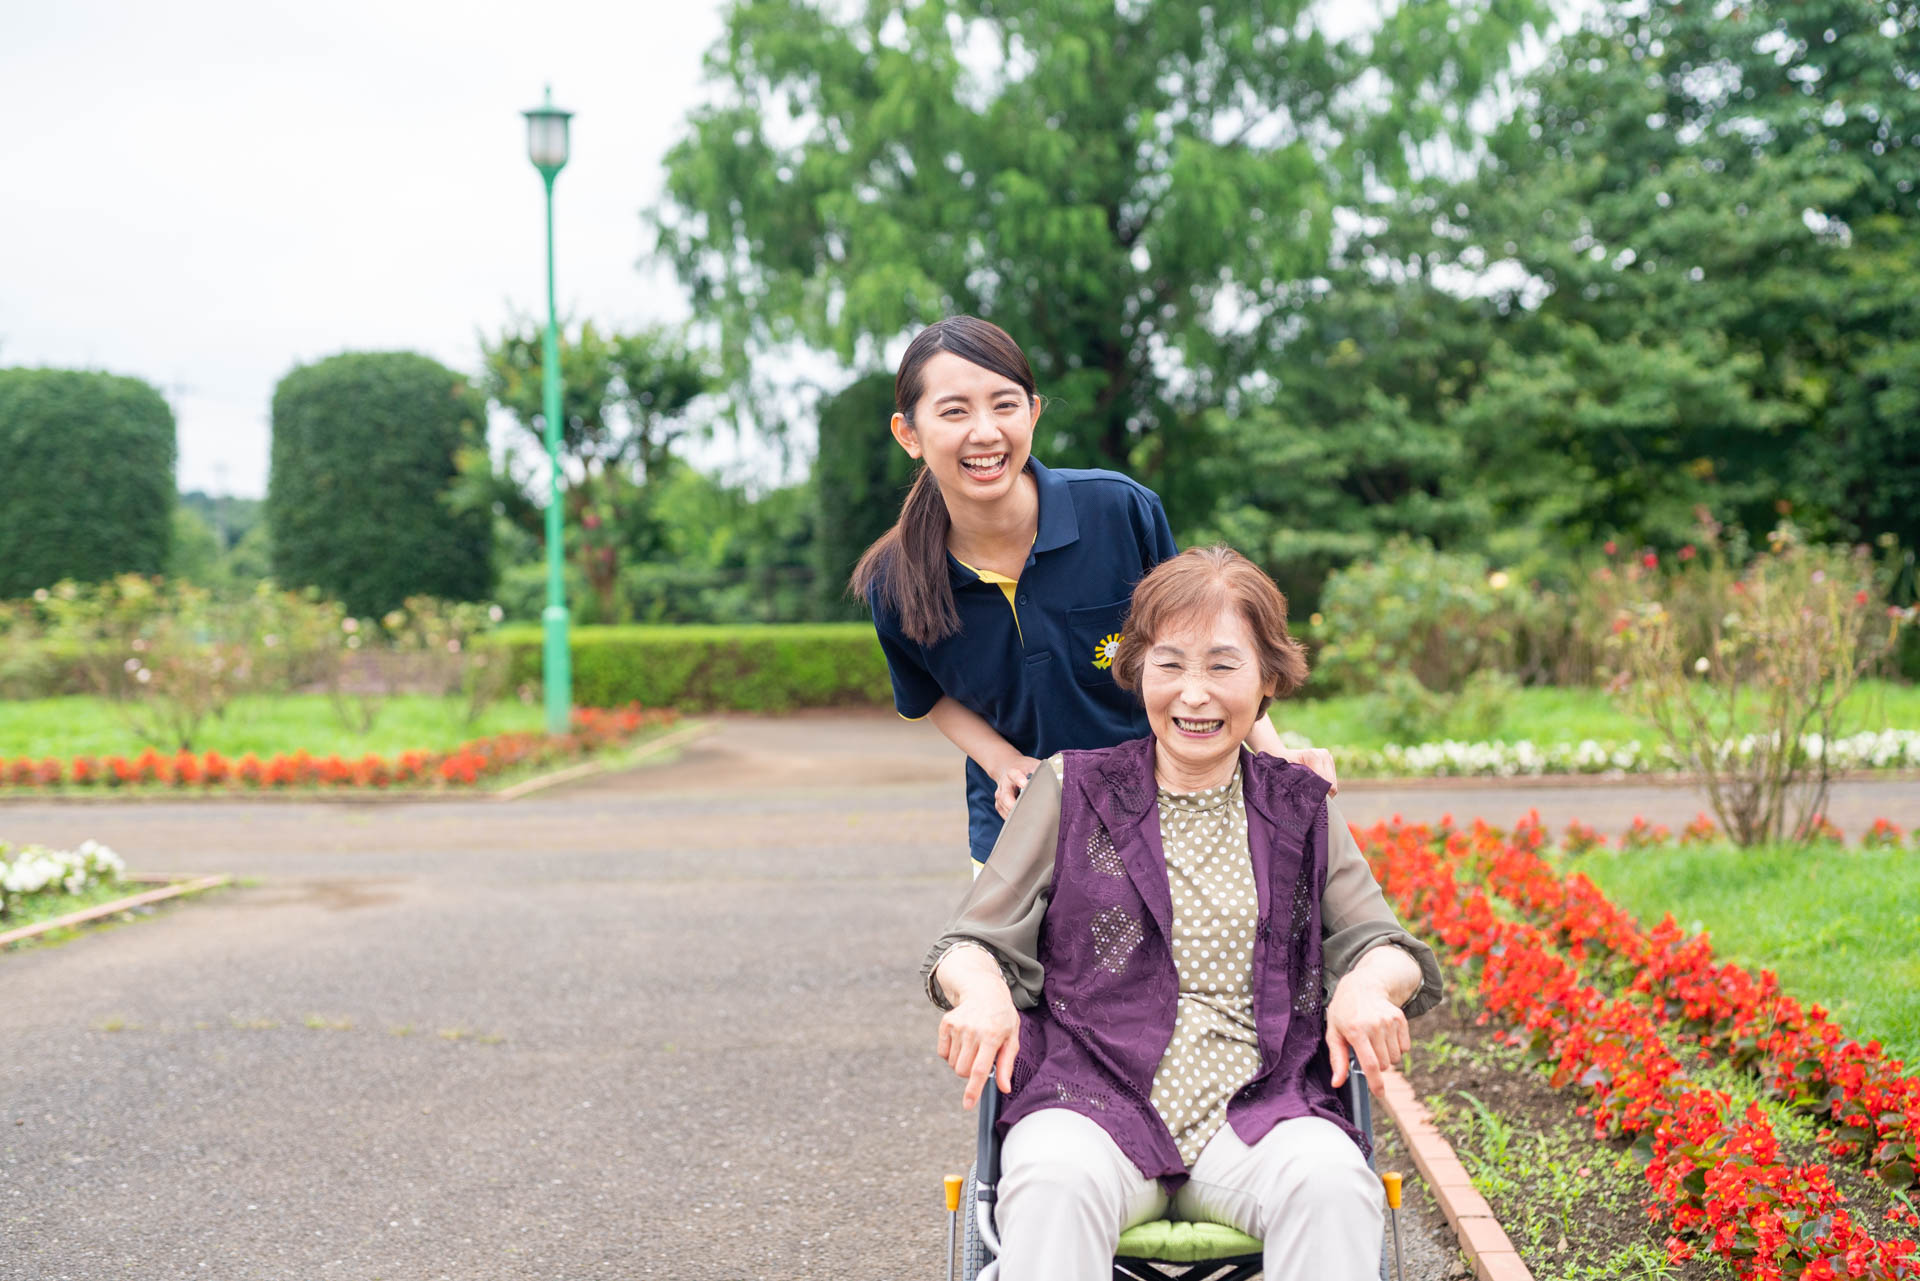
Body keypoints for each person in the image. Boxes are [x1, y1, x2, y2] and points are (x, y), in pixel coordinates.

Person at [921, 547, 1444, 1281]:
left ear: (1267, 679)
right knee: (1050, 1182)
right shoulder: (1071, 787)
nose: (1194, 694)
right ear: (1138, 671)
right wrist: (979, 991)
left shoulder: (1298, 805)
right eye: (1170, 664)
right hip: (1091, 1101)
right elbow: (971, 941)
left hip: (1259, 1109)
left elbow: (1382, 943)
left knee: (1331, 1183)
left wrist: (1365, 984)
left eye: (1223, 666)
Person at [853, 315, 1333, 868]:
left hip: (1165, 813)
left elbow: (1205, 650)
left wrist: (1278, 758)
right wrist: (1005, 761)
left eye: (1005, 405)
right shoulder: (893, 579)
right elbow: (929, 694)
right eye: (954, 411)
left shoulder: (1120, 510)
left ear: (1033, 413)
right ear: (908, 433)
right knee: (993, 958)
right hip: (1020, 833)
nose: (984, 432)